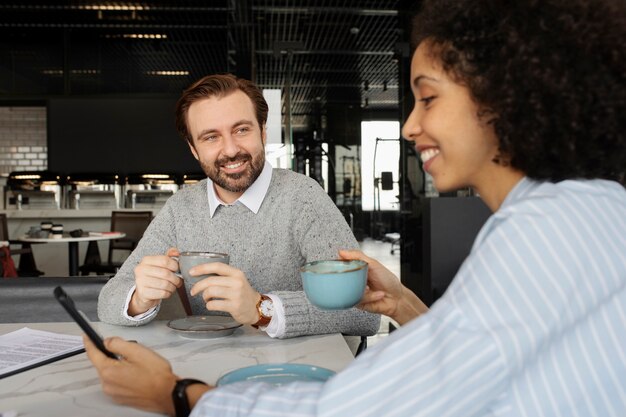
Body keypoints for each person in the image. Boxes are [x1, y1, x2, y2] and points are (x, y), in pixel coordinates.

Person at [86, 0, 626, 415]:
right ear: (193, 148)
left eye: (428, 97)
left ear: (503, 96)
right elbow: (466, 352)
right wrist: (405, 305)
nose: (411, 126)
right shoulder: (576, 213)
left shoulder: (544, 232)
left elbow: (365, 405)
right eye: (211, 137)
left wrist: (180, 395)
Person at [97, 73, 380, 339]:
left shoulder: (302, 197)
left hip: (294, 376)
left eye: (241, 130)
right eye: (211, 137)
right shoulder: (181, 208)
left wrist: (262, 309)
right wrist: (139, 298)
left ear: (262, 132)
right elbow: (108, 301)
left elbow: (364, 313)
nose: (231, 150)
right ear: (194, 149)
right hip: (211, 372)